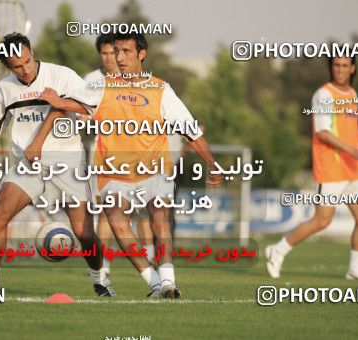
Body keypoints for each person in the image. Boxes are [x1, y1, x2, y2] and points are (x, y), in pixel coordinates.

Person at [43, 33, 224, 298]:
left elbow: (191, 131)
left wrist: (212, 164)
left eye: (127, 51)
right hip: (114, 171)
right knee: (116, 220)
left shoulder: (161, 90)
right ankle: (153, 282)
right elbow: (73, 102)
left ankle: (168, 282)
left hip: (155, 168)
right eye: (116, 51)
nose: (120, 57)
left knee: (159, 216)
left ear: (141, 54)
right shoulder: (102, 86)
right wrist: (58, 101)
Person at [0, 32, 115, 296]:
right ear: (7, 66)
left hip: (68, 161)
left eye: (28, 61)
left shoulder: (61, 75)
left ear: (32, 52)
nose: (25, 69)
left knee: (84, 233)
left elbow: (90, 107)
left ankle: (100, 279)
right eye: (17, 65)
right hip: (30, 164)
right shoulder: (4, 89)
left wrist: (57, 105)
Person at [266, 56, 358, 281]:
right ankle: (277, 250)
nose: (340, 69)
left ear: (352, 68)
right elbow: (323, 132)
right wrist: (354, 151)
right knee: (322, 220)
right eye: (336, 65)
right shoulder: (324, 95)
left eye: (344, 65)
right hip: (332, 167)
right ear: (331, 68)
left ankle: (355, 270)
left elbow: (349, 127)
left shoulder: (352, 94)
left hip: (354, 167)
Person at [84, 33, 156, 276]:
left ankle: (150, 258)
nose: (110, 58)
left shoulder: (138, 82)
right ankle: (103, 265)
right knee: (107, 211)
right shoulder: (93, 81)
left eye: (114, 53)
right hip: (104, 153)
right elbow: (82, 114)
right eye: (105, 53)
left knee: (145, 211)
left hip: (138, 155)